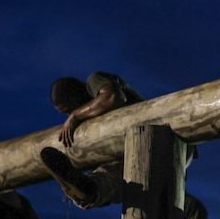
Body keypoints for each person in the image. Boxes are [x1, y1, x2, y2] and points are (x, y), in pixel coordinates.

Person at [41, 71, 146, 209]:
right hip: (130, 156)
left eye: (68, 109)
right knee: (107, 180)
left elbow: (113, 97)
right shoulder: (94, 116)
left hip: (148, 139)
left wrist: (75, 115)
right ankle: (87, 191)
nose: (68, 115)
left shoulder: (94, 80)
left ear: (74, 97)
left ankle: (88, 190)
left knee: (111, 176)